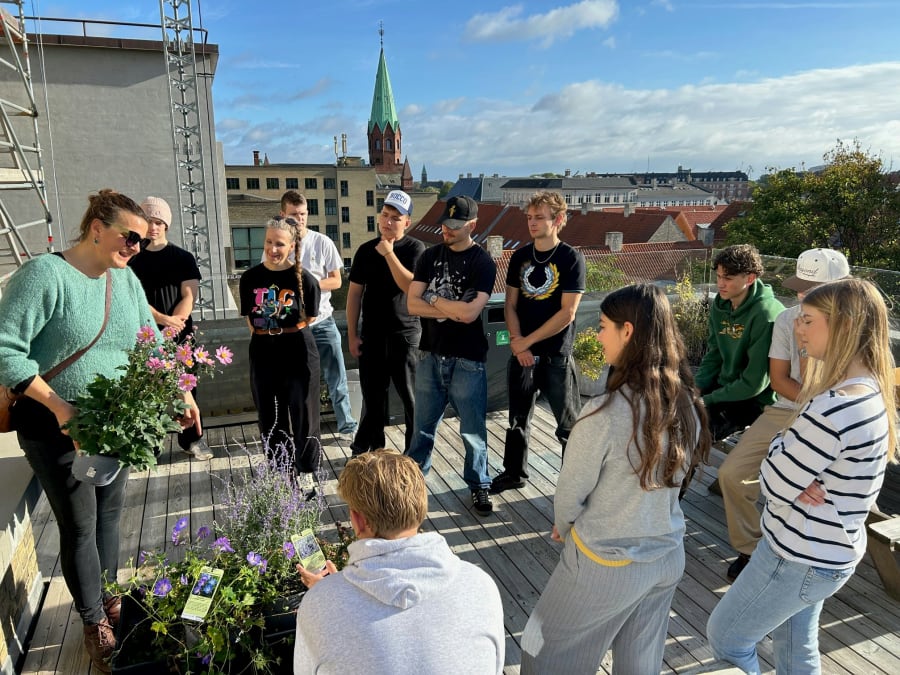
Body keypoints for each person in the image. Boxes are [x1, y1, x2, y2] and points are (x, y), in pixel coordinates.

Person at [0, 190, 201, 672]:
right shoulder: (44, 276)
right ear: (96, 228)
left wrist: (182, 392)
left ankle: (109, 601)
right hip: (55, 426)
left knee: (110, 519)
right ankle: (94, 622)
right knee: (80, 523)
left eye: (142, 237)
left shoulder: (125, 280)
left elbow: (150, 346)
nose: (137, 245)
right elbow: (6, 350)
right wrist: (60, 406)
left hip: (115, 426)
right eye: (129, 236)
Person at [707, 278, 896, 674]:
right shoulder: (868, 391)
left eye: (808, 320)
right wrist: (793, 464)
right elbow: (787, 477)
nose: (798, 327)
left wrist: (784, 452)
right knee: (796, 650)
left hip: (795, 555)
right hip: (827, 551)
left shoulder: (832, 407)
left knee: (727, 638)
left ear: (842, 325)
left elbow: (774, 483)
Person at [520, 284, 710, 674]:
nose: (597, 334)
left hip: (607, 563)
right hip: (667, 555)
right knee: (640, 664)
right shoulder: (686, 402)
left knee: (542, 651)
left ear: (628, 332)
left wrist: (565, 525)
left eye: (604, 325)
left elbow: (571, 493)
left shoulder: (603, 414)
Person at [293, 450, 505, 675]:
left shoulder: (319, 603)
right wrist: (332, 592)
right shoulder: (480, 585)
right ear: (421, 509)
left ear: (357, 520)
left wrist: (329, 593)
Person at [718, 248, 850, 582]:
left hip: (838, 419)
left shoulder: (855, 328)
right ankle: (751, 549)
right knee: (731, 475)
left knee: (813, 488)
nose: (802, 293)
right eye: (801, 287)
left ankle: (802, 557)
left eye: (812, 287)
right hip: (788, 408)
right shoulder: (787, 319)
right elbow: (779, 381)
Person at [405, 196, 497, 516]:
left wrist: (431, 296)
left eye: (456, 226)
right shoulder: (429, 256)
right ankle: (413, 485)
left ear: (472, 226)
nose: (447, 229)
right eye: (445, 223)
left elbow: (470, 313)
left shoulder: (483, 262)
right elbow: (411, 305)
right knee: (422, 428)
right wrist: (447, 307)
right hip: (431, 354)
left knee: (472, 429)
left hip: (468, 359)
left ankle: (479, 484)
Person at [491, 191, 585, 494]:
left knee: (568, 426)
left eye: (539, 217)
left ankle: (574, 485)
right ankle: (514, 472)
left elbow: (567, 313)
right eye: (529, 217)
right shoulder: (519, 256)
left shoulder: (571, 258)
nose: (532, 223)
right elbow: (510, 305)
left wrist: (525, 342)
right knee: (518, 419)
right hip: (523, 354)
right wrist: (519, 343)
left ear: (558, 220)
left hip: (556, 356)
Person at [240, 216, 321, 490]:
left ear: (292, 246)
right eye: (269, 242)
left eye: (280, 244)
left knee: (303, 414)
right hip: (263, 353)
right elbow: (249, 319)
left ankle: (307, 474)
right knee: (270, 416)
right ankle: (281, 476)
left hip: (298, 352)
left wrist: (283, 328)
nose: (273, 249)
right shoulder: (250, 278)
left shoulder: (305, 279)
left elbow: (310, 316)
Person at [128, 195, 213, 460]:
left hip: (180, 335)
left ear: (166, 225)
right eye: (148, 221)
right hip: (144, 334)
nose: (153, 227)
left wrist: (173, 325)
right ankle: (150, 444)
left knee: (187, 388)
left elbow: (188, 295)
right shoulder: (131, 258)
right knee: (148, 389)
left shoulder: (182, 257)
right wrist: (162, 321)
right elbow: (133, 297)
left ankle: (192, 440)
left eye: (158, 222)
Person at [346, 189, 425, 455]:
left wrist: (389, 254)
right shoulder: (365, 251)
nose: (388, 221)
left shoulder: (415, 248)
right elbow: (354, 294)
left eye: (395, 217)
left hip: (404, 334)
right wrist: (352, 334)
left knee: (410, 398)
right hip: (372, 336)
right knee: (373, 397)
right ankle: (370, 449)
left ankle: (413, 456)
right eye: (385, 215)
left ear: (407, 222)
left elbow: (411, 286)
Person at [279, 190, 357, 438]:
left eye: (302, 214)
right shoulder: (278, 244)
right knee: (295, 380)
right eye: (293, 215)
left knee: (337, 376)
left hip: (323, 321)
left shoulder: (323, 242)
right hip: (293, 326)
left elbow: (336, 281)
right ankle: (299, 430)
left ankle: (346, 427)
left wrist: (307, 285)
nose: (299, 219)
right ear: (283, 215)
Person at [695, 244, 785, 442]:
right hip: (723, 388)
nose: (720, 284)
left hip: (752, 400)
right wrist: (697, 386)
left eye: (728, 278)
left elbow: (754, 383)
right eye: (718, 277)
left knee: (694, 434)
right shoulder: (721, 305)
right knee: (671, 417)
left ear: (750, 278)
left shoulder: (766, 314)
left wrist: (706, 400)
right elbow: (714, 353)